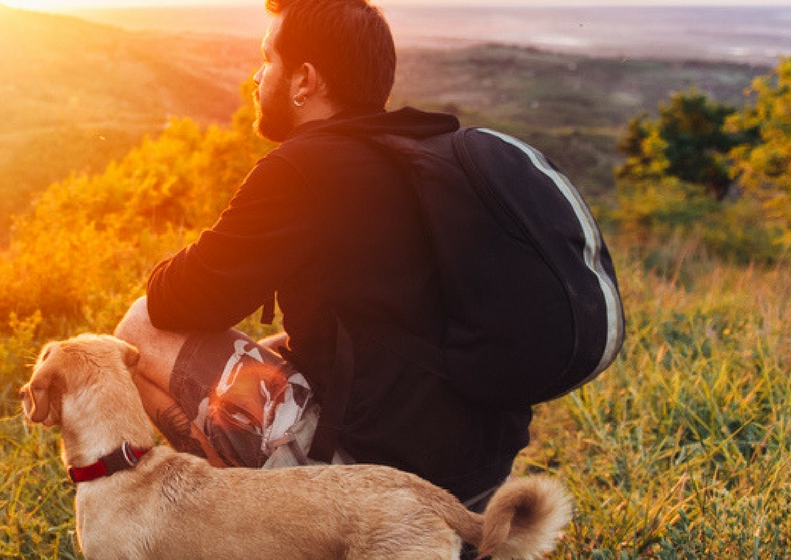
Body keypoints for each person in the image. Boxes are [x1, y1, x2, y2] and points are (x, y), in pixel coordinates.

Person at [113, 0, 609, 515]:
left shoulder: (304, 168)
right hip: (478, 481)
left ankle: (266, 530)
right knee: (275, 347)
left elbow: (174, 301)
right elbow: (375, 325)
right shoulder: (420, 150)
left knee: (141, 325)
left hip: (385, 492)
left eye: (266, 60)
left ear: (304, 80)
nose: (258, 77)